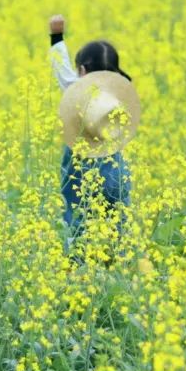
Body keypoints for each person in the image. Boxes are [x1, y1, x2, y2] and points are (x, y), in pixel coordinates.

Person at [48, 14, 141, 246]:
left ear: (82, 71)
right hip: (117, 173)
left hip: (83, 174)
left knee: (78, 224)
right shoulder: (120, 91)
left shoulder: (81, 91)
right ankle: (124, 262)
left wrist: (56, 36)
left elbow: (63, 74)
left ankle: (80, 268)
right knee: (119, 227)